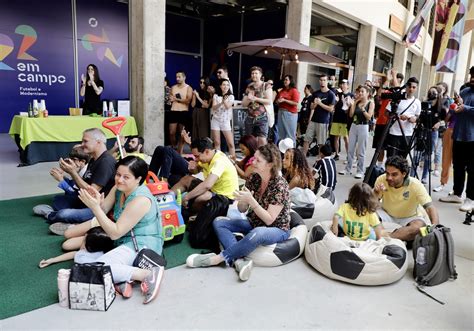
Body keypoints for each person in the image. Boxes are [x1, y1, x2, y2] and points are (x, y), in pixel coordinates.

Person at [186, 144, 291, 282]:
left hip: (277, 228)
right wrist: (242, 201)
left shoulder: (279, 185)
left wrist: (252, 201)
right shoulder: (255, 178)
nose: (253, 162)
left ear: (270, 165)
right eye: (254, 158)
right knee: (219, 222)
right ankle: (239, 262)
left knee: (258, 232)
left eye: (258, 161)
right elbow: (242, 209)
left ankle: (218, 258)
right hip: (254, 221)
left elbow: (269, 220)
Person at [78, 156, 164, 304]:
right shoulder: (119, 189)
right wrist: (98, 203)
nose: (119, 180)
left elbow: (114, 232)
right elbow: (104, 209)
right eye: (118, 174)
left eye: (126, 177)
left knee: (97, 269)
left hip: (142, 246)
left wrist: (94, 207)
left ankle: (147, 274)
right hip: (123, 241)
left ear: (138, 179)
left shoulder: (141, 200)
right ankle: (123, 278)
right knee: (81, 259)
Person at [33, 128, 116, 226]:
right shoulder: (94, 159)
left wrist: (72, 172)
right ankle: (73, 220)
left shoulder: (105, 162)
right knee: (58, 199)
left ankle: (52, 216)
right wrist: (67, 174)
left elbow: (92, 192)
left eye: (85, 141)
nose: (82, 144)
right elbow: (82, 185)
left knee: (63, 214)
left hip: (96, 207)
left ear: (98, 142)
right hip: (84, 201)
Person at [374, 156, 439, 242]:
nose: (389, 178)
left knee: (419, 227)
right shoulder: (382, 179)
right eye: (387, 173)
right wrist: (375, 192)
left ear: (404, 174)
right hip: (386, 213)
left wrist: (435, 227)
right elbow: (371, 204)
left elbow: (430, 207)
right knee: (367, 215)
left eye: (394, 174)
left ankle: (386, 237)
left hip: (409, 217)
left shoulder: (415, 184)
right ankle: (396, 238)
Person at [172, 138, 238, 214]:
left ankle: (188, 215)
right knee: (186, 179)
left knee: (202, 198)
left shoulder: (219, 161)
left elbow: (207, 185)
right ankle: (167, 198)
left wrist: (187, 197)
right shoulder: (208, 157)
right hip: (214, 190)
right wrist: (192, 168)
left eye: (197, 156)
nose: (196, 159)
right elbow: (196, 171)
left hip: (225, 199)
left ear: (207, 151)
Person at [439, 69, 474, 211]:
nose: (472, 78)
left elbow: (466, 109)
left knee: (472, 170)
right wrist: (454, 106)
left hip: (473, 138)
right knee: (458, 166)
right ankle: (457, 194)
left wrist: (464, 107)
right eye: (472, 75)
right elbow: (455, 111)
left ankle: (470, 198)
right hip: (459, 135)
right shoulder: (464, 92)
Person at [339, 85, 374, 179]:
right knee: (350, 149)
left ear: (367, 93)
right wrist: (353, 104)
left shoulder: (370, 103)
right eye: (359, 92)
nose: (360, 93)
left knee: (361, 150)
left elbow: (369, 117)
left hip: (363, 126)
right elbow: (350, 115)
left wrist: (363, 110)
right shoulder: (356, 102)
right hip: (354, 125)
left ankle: (360, 171)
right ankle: (348, 169)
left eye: (363, 92)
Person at [38, 227, 114, 268]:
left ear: (89, 247)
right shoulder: (105, 249)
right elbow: (74, 253)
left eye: (84, 241)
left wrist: (52, 260)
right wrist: (52, 260)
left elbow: (75, 254)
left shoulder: (82, 258)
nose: (82, 243)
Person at [386, 77, 422, 158]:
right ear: (406, 86)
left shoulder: (417, 102)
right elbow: (387, 112)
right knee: (391, 157)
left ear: (416, 88)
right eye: (409, 86)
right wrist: (397, 117)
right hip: (394, 132)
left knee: (402, 159)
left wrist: (413, 119)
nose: (411, 89)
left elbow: (418, 117)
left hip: (407, 134)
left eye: (414, 87)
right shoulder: (398, 98)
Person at [303, 75, 336, 156]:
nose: (322, 82)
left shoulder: (331, 94)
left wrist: (320, 103)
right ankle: (303, 157)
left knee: (321, 142)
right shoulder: (315, 93)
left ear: (327, 81)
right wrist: (314, 104)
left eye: (324, 80)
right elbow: (311, 107)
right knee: (306, 139)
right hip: (314, 120)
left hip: (323, 121)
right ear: (319, 81)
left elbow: (331, 109)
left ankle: (319, 159)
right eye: (321, 80)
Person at [242, 66, 273, 147]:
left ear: (260, 75)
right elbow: (244, 104)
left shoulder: (266, 85)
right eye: (252, 73)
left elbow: (269, 101)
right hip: (250, 118)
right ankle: (252, 159)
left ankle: (263, 158)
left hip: (262, 117)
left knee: (262, 141)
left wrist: (255, 98)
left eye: (256, 73)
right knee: (250, 142)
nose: (254, 75)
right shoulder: (249, 86)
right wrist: (249, 99)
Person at [434, 82, 455, 192]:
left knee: (460, 163)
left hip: (466, 135)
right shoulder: (452, 104)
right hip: (450, 131)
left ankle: (457, 189)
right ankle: (442, 183)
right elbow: (445, 118)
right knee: (446, 159)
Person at [211, 79, 236, 158]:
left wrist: (224, 101)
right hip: (215, 120)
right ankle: (218, 160)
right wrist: (221, 102)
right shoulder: (216, 95)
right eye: (224, 85)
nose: (226, 86)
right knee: (217, 142)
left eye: (227, 85)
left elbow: (228, 106)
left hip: (225, 121)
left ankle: (234, 161)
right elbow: (214, 107)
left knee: (230, 143)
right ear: (220, 86)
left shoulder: (231, 96)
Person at [169, 71, 193, 153]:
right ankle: (173, 146)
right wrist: (170, 99)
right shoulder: (173, 87)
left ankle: (180, 151)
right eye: (176, 77)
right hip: (174, 111)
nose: (177, 79)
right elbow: (170, 99)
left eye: (179, 77)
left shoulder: (188, 88)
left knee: (181, 133)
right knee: (172, 132)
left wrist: (176, 99)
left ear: (184, 77)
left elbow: (188, 101)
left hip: (183, 112)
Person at [330, 79, 353, 161]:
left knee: (346, 137)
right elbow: (334, 106)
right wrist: (336, 102)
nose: (343, 85)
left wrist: (347, 104)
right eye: (342, 84)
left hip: (345, 119)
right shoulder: (337, 94)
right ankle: (336, 154)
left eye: (344, 84)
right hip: (336, 118)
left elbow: (351, 109)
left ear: (348, 85)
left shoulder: (351, 95)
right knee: (336, 137)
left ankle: (348, 155)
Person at [275, 75, 300, 144]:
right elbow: (277, 101)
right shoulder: (282, 90)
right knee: (281, 134)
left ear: (290, 81)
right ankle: (282, 152)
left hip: (290, 113)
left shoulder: (294, 91)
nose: (284, 81)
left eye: (286, 80)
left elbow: (295, 103)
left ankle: (292, 152)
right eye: (284, 80)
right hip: (281, 112)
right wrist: (278, 101)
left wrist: (285, 100)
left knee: (290, 134)